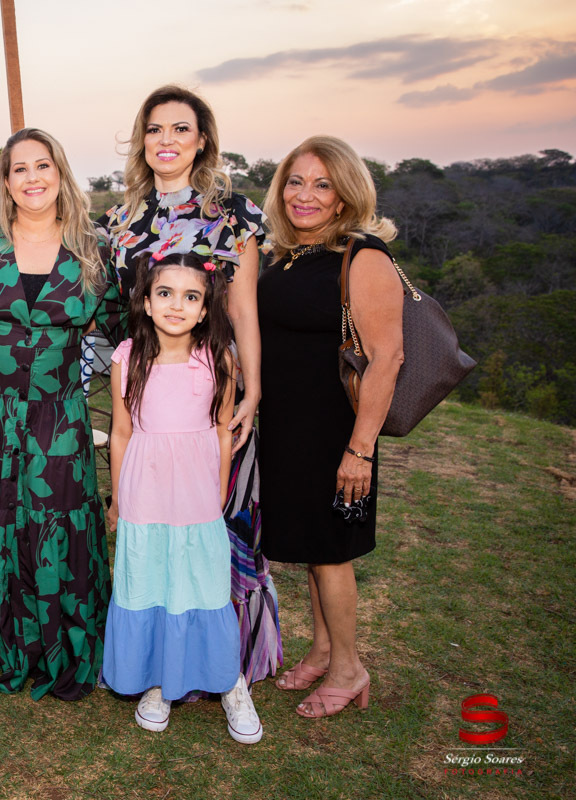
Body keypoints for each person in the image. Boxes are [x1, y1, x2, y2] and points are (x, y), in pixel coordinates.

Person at [103, 85, 281, 684]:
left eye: (181, 129)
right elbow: (115, 316)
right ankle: (159, 659)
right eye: (155, 129)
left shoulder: (235, 214)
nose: (167, 140)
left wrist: (253, 390)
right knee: (156, 535)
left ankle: (230, 665)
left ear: (202, 140)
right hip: (150, 394)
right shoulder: (120, 222)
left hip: (215, 394)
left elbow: (245, 310)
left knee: (222, 525)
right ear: (142, 140)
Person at [0, 128, 121, 701]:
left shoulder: (93, 249)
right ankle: (10, 645)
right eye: (19, 168)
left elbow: (125, 330)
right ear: (5, 182)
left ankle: (66, 647)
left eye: (43, 165)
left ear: (60, 173)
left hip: (60, 416)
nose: (32, 178)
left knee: (59, 521)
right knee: (0, 521)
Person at [257, 135, 404, 718]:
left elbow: (387, 358)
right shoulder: (289, 253)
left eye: (322, 184)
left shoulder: (362, 256)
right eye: (296, 181)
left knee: (331, 553)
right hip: (287, 427)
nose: (305, 195)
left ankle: (349, 668)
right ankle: (322, 651)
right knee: (313, 550)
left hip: (334, 431)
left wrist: (359, 450)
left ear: (345, 195)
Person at [102, 252, 263, 743]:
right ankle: (157, 681)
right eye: (165, 294)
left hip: (196, 495)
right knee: (149, 579)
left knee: (204, 585)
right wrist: (117, 499)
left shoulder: (218, 359)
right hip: (144, 490)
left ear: (204, 308)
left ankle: (230, 682)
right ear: (147, 302)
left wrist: (217, 494)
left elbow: (222, 432)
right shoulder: (127, 358)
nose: (177, 305)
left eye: (190, 297)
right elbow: (122, 433)